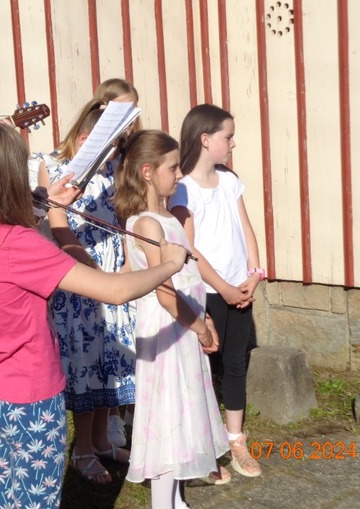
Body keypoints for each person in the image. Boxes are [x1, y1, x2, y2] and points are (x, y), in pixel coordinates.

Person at [0, 120, 193, 509]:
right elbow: (115, 290)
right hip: (30, 400)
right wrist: (170, 264)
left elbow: (11, 246)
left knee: (9, 496)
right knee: (36, 502)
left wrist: (46, 204)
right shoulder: (20, 244)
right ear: (8, 176)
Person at [115, 129, 229, 508]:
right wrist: (200, 329)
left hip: (185, 326)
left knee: (183, 412)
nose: (179, 174)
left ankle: (177, 499)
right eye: (173, 167)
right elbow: (164, 293)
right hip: (168, 331)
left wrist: (203, 320)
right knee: (166, 419)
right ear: (148, 172)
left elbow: (188, 278)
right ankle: (162, 504)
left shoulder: (168, 217)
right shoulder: (146, 224)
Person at [36, 98, 136, 484]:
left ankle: (101, 442)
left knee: (109, 360)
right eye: (109, 146)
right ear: (84, 140)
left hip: (112, 274)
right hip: (78, 277)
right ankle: (82, 450)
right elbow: (60, 229)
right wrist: (95, 274)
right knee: (85, 363)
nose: (114, 154)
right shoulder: (55, 168)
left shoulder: (113, 168)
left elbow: (123, 217)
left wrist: (126, 264)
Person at [168, 103, 263, 478]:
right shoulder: (183, 190)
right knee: (204, 368)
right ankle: (203, 445)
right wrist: (222, 288)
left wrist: (254, 273)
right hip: (208, 292)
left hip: (240, 287)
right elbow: (189, 249)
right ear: (206, 139)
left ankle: (235, 438)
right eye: (228, 136)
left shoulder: (229, 181)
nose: (233, 143)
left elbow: (246, 228)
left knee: (236, 362)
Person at [94, 77, 140, 447]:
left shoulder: (129, 158)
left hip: (121, 247)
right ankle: (108, 415)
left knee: (127, 333)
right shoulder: (94, 154)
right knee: (104, 335)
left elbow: (128, 211)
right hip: (96, 251)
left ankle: (126, 409)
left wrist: (129, 256)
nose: (128, 122)